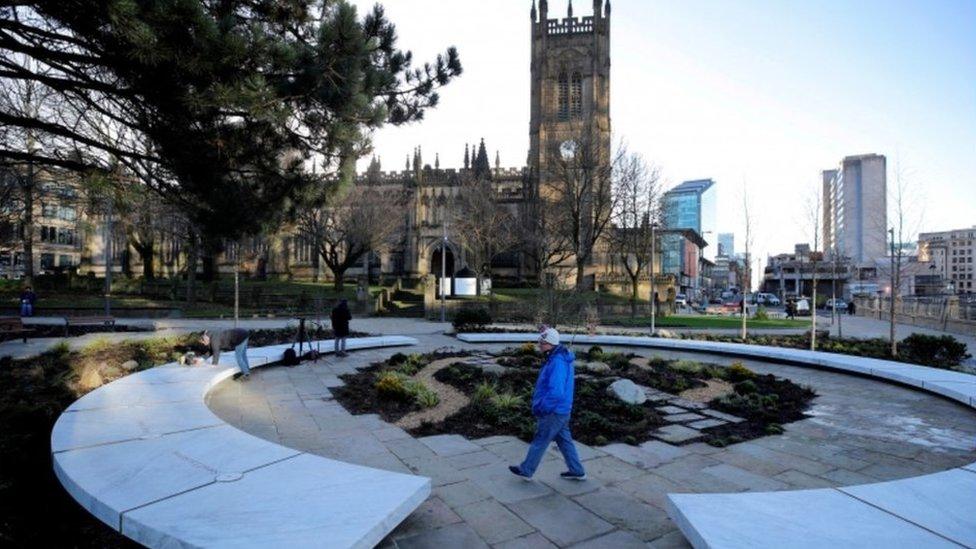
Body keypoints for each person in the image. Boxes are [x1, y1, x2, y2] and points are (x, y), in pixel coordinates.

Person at [509, 327, 586, 481]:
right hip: (561, 410)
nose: (539, 344)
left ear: (549, 343)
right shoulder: (557, 357)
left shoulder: (557, 361)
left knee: (540, 439)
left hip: (553, 411)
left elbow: (556, 392)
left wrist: (543, 407)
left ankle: (526, 470)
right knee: (564, 441)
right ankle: (577, 471)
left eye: (542, 342)